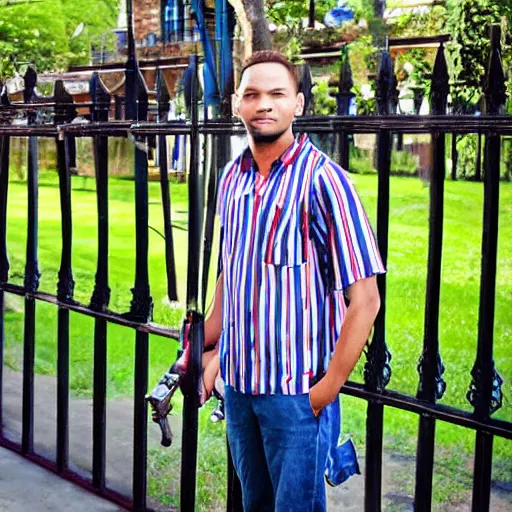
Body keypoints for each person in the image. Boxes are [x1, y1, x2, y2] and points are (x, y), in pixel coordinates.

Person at [199, 51, 385, 512]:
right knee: (254, 504)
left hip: (296, 397)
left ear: (297, 104)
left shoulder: (325, 181)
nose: (264, 104)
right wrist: (203, 347)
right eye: (253, 95)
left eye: (277, 94)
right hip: (240, 390)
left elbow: (365, 300)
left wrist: (323, 393)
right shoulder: (230, 179)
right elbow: (232, 272)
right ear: (236, 106)